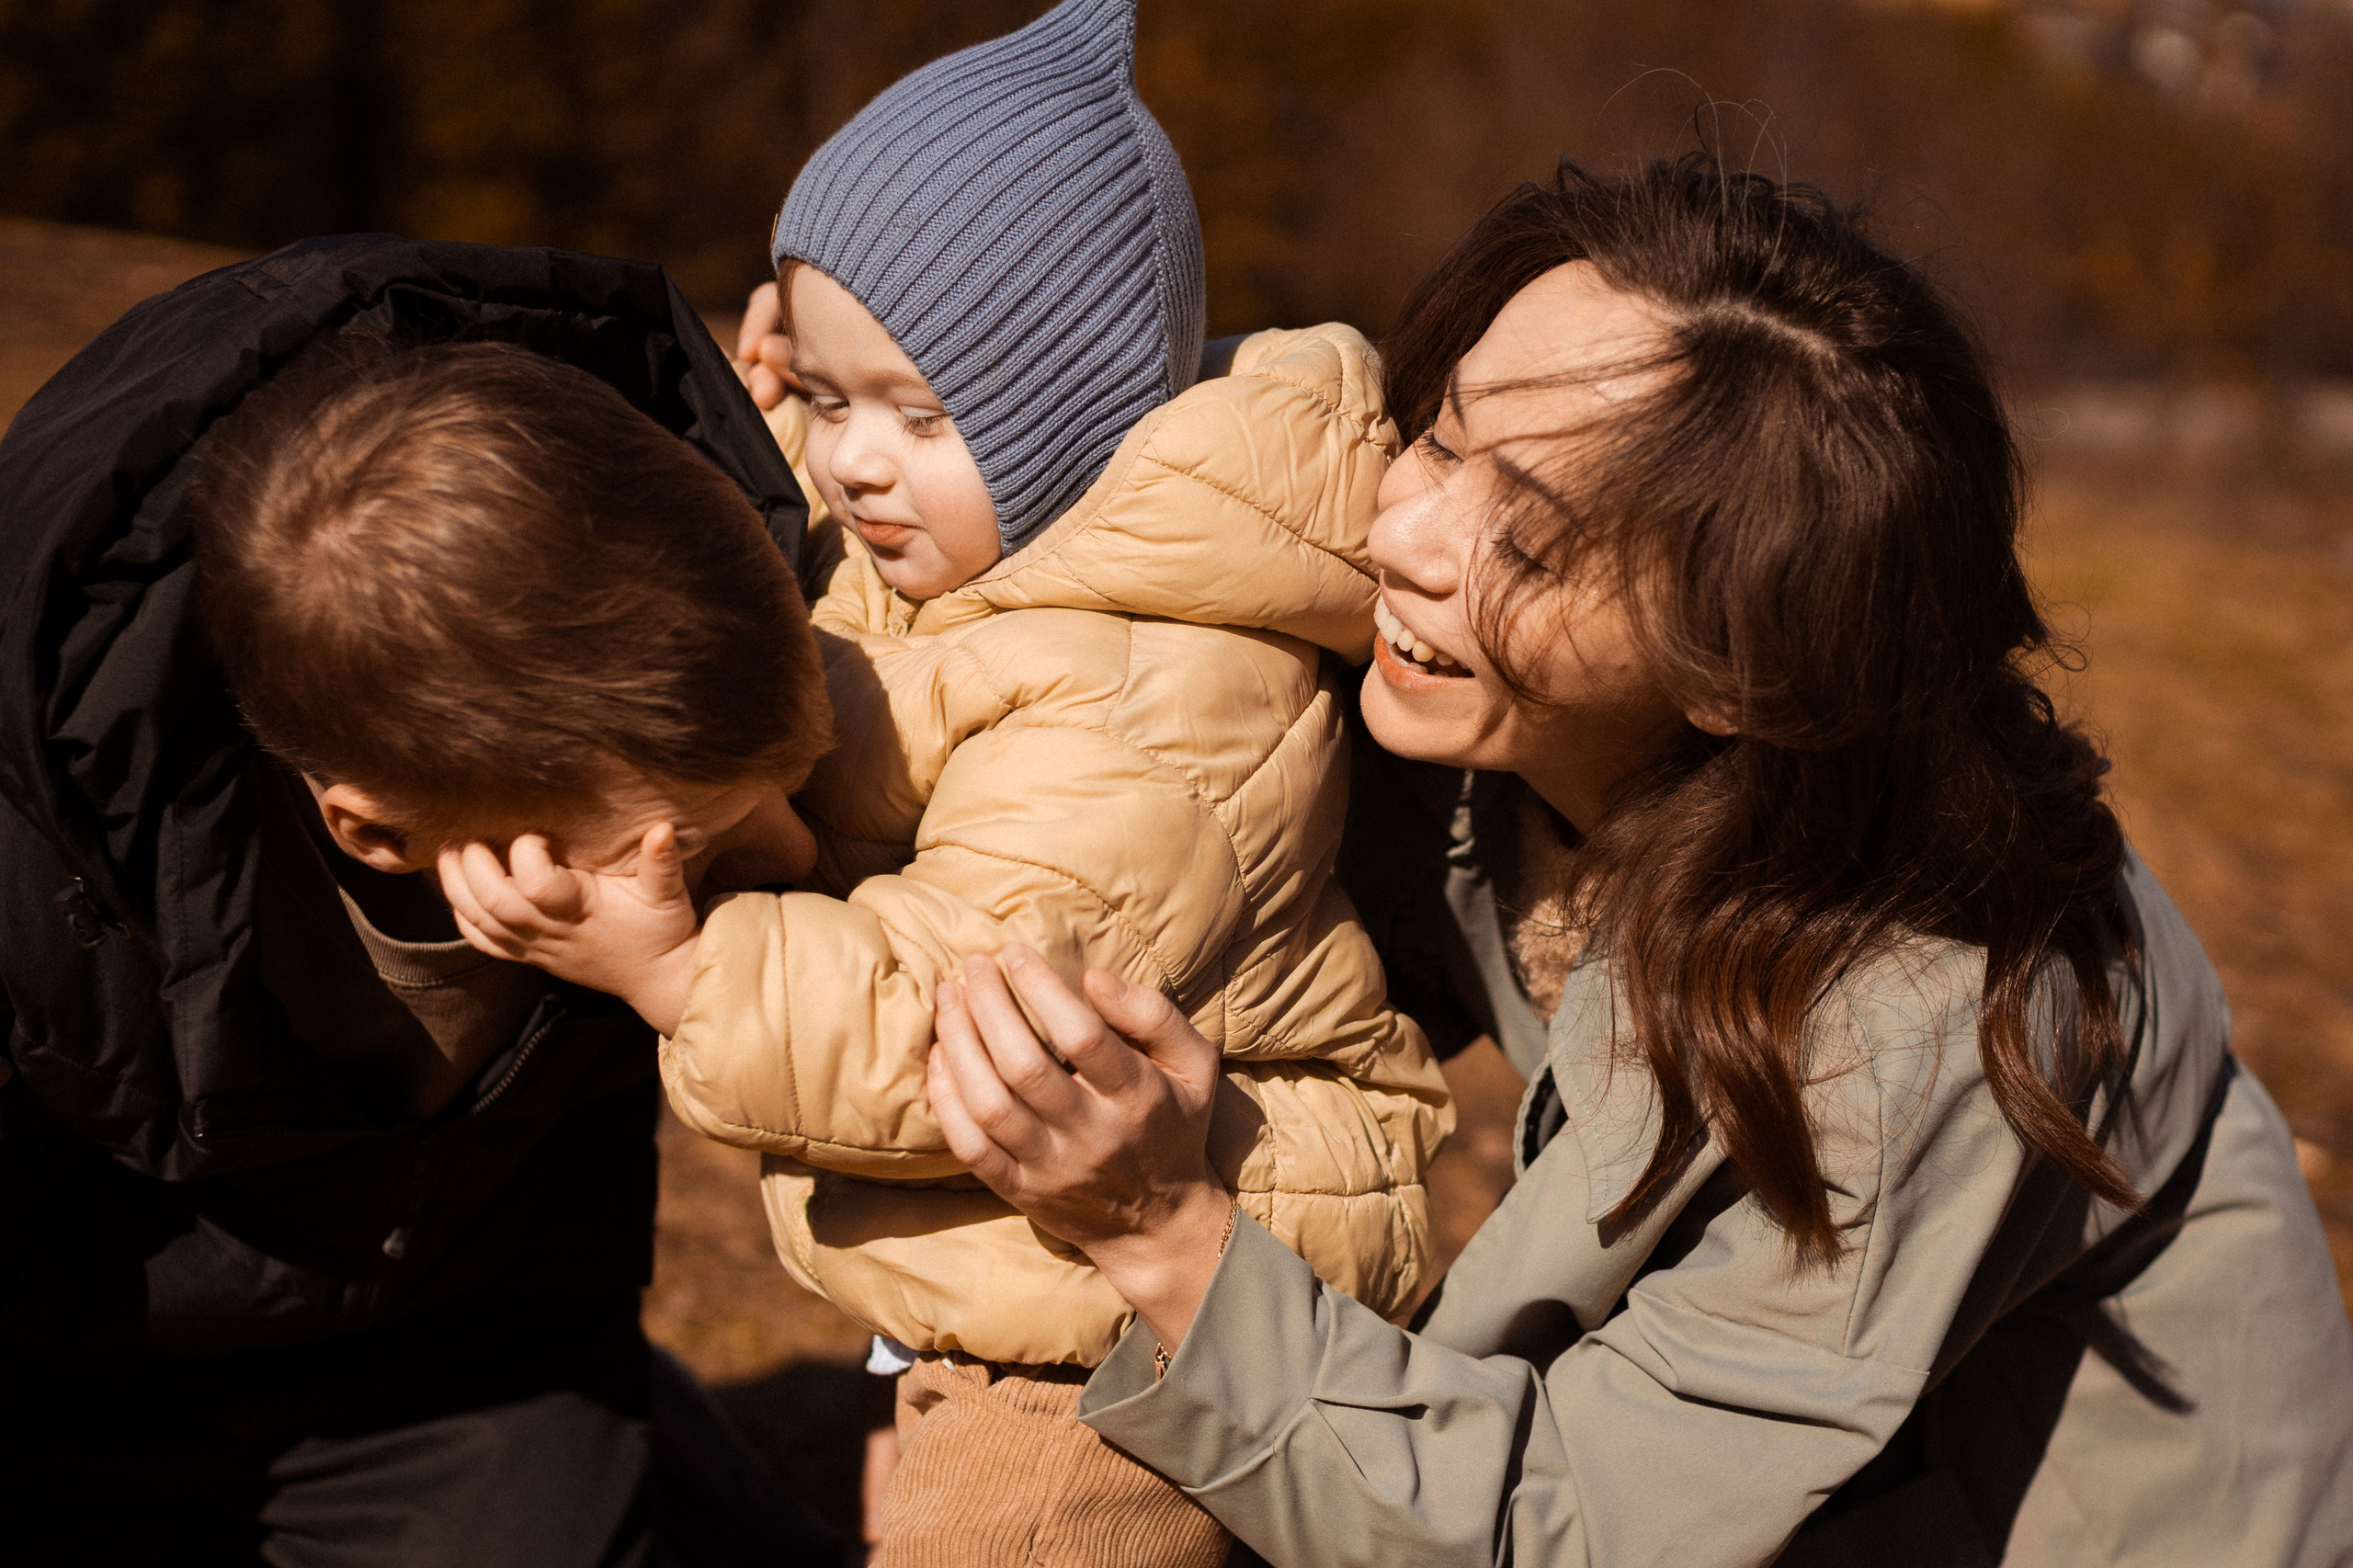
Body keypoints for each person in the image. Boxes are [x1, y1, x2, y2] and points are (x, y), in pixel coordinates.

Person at [918, 155, 2353, 1566]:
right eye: (1437, 434)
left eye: (1529, 548)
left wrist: (1170, 1231)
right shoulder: (1513, 716)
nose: (1403, 535)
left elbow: (1573, 1525)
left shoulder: (1923, 1013)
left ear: (1739, 665)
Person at [437, 2, 1450, 1563]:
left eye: (916, 413)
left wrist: (680, 967)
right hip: (1021, 1286)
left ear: (1076, 415)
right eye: (833, 402)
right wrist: (788, 420)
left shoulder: (1152, 701)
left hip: (1113, 1341)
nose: (852, 463)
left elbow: (956, 1031)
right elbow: (850, 657)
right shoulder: (992, 549)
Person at [0, 236, 847, 1566]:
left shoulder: (693, 578)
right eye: (691, 846)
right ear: (378, 830)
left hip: (461, 1338)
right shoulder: (33, 851)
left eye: (790, 788)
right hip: (76, 1362)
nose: (800, 855)